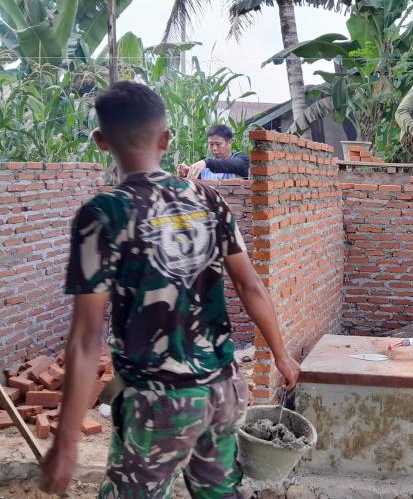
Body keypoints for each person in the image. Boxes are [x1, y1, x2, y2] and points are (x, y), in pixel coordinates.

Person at [39, 81, 300, 497]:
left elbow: (86, 337)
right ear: (165, 139)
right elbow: (251, 286)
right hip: (223, 389)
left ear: (102, 141)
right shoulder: (209, 200)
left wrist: (66, 441)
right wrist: (282, 355)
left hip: (156, 402)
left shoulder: (104, 215)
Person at [178, 124, 250, 179]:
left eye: (218, 144)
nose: (214, 148)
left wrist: (207, 162)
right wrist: (188, 173)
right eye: (211, 144)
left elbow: (236, 165)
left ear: (230, 142)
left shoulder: (242, 160)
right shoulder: (205, 169)